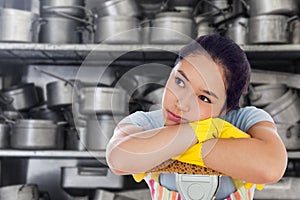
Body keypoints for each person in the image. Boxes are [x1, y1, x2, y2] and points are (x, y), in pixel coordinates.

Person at [106, 34, 287, 199]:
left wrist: (161, 148)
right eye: (179, 81)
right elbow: (118, 159)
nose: (182, 103)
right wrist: (199, 132)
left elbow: (271, 167)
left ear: (227, 108)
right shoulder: (145, 122)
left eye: (203, 98)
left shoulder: (245, 120)